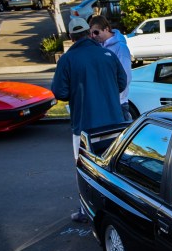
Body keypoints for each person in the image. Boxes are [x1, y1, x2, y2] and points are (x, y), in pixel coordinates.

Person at [51, 17, 127, 222]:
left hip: (85, 127)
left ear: (70, 37)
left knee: (85, 171)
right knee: (113, 169)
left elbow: (60, 91)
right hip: (114, 123)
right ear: (88, 33)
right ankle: (118, 209)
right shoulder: (108, 54)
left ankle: (87, 211)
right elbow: (121, 83)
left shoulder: (68, 59)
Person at [89, 15, 133, 121]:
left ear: (106, 29)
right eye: (91, 33)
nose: (94, 36)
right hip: (105, 102)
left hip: (118, 103)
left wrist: (114, 96)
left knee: (121, 136)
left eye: (96, 32)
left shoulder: (120, 48)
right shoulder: (99, 46)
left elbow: (126, 77)